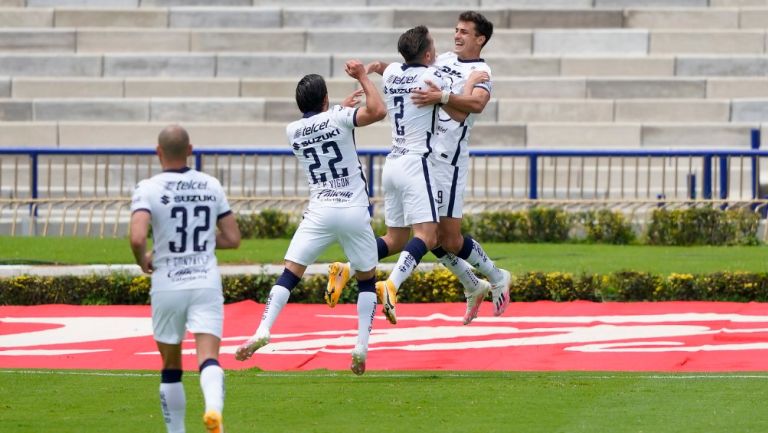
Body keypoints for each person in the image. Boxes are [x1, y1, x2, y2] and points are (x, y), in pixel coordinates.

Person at [327, 12, 511, 326]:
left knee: (447, 239)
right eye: (455, 30)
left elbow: (475, 106)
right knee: (429, 235)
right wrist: (377, 68)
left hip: (449, 160)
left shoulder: (481, 70)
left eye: (464, 32)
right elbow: (410, 69)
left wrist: (443, 95)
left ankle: (495, 276)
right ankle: (474, 284)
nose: (457, 36)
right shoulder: (444, 60)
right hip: (423, 158)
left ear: (480, 39)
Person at [234, 59, 387, 375]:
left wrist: (336, 109)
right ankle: (360, 344)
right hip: (352, 208)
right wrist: (362, 77)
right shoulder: (340, 119)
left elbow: (322, 126)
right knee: (366, 280)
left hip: (319, 211)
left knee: (289, 274)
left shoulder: (292, 131)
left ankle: (263, 329)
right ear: (325, 100)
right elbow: (378, 111)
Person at [129, 124, 241, 433]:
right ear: (190, 150)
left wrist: (144, 261)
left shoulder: (148, 187)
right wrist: (203, 240)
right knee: (208, 358)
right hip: (204, 280)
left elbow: (138, 237)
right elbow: (232, 238)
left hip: (167, 281)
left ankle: (176, 431)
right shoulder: (210, 184)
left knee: (171, 365)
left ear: (158, 152)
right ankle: (214, 411)